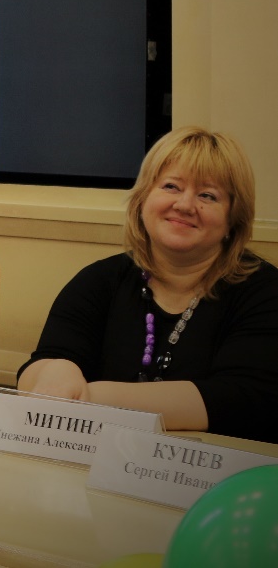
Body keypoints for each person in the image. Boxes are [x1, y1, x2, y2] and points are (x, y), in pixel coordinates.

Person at [18, 127, 278, 441]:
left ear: (232, 219)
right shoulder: (98, 280)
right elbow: (36, 371)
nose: (185, 205)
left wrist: (91, 398)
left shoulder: (265, 291)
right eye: (171, 186)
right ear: (143, 200)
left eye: (207, 195)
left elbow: (243, 401)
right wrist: (55, 369)